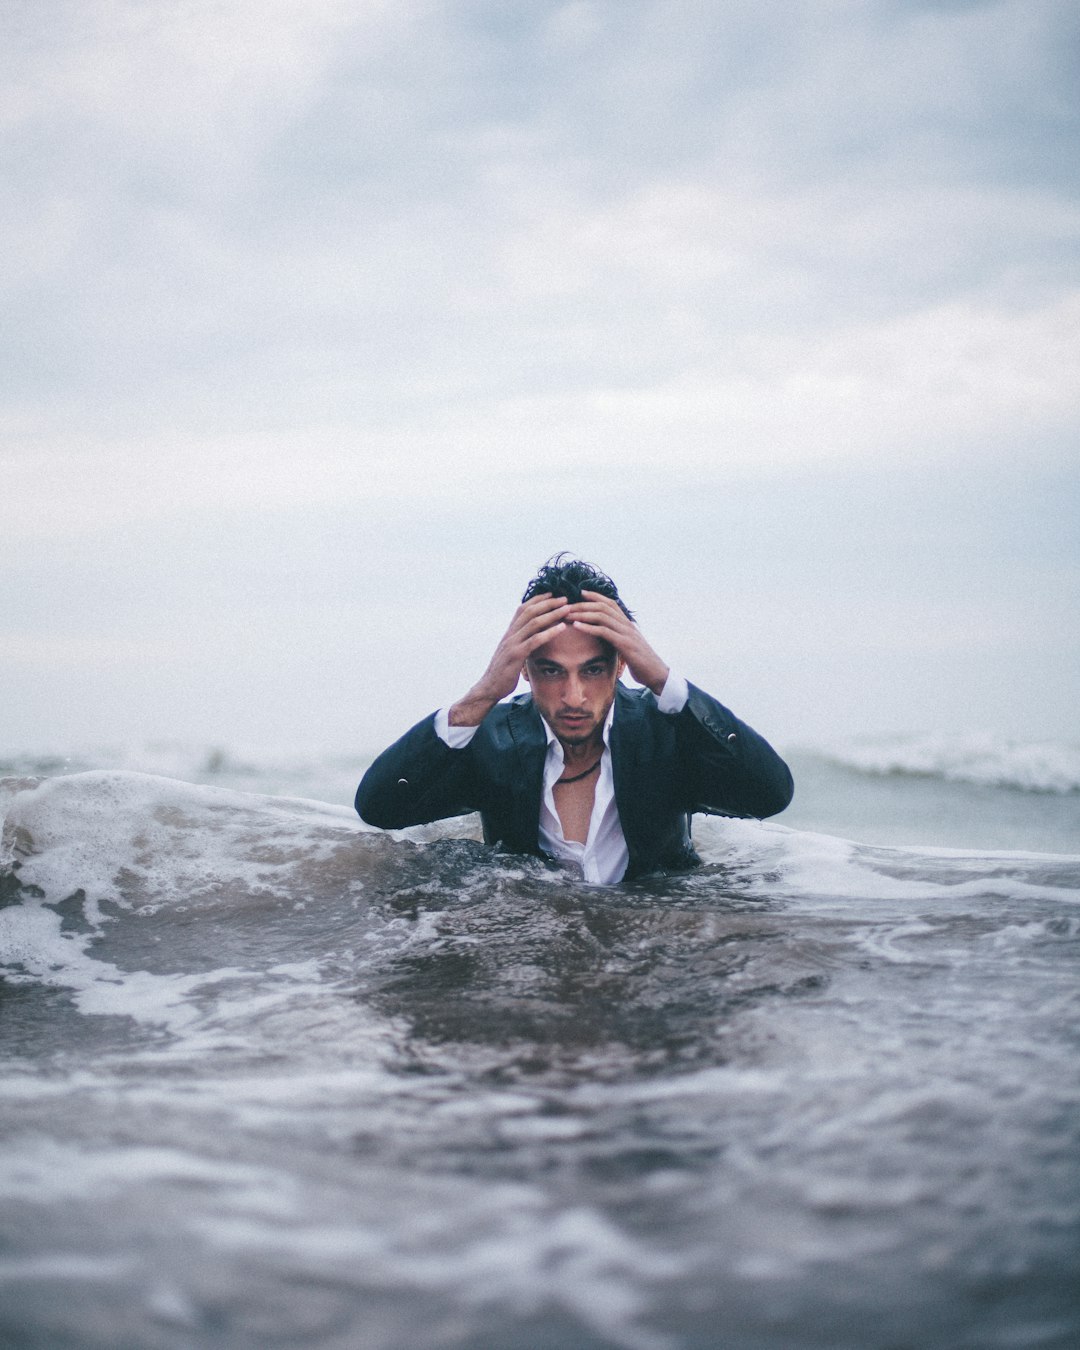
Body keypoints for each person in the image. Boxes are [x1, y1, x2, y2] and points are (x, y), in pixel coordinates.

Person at [355, 556, 793, 883]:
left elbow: (769, 794)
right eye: (551, 671)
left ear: (621, 665)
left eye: (592, 669)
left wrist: (661, 678)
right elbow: (381, 809)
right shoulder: (492, 739)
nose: (574, 697)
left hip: (654, 952)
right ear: (523, 668)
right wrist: (483, 693)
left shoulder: (667, 733)